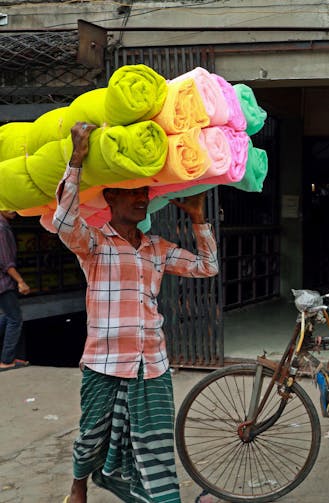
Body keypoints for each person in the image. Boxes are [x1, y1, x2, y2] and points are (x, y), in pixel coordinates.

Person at [54, 122, 219, 503]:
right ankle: (78, 483)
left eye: (144, 191)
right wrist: (77, 158)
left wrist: (198, 218)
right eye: (131, 192)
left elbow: (206, 267)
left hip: (153, 364)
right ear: (110, 196)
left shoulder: (157, 247)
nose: (141, 198)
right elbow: (63, 223)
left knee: (155, 443)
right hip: (104, 361)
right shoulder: (93, 243)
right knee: (92, 434)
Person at [0, 209, 31, 371]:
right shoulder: (1, 228)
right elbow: (6, 262)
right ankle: (6, 360)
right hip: (3, 283)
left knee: (8, 316)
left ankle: (9, 356)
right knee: (15, 319)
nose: (14, 210)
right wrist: (21, 281)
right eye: (8, 206)